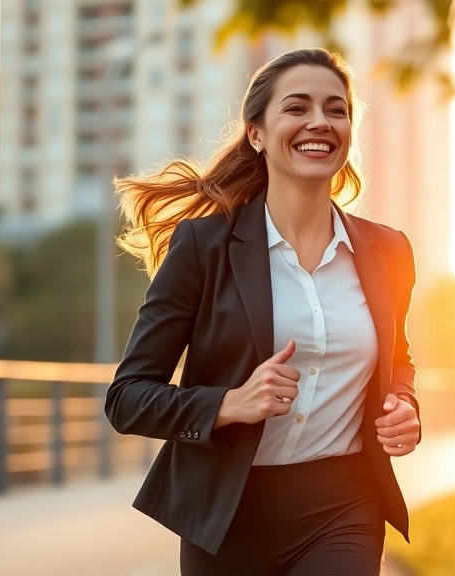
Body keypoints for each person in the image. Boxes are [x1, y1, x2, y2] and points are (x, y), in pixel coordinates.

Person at [104, 47, 421, 575]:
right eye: (296, 108)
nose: (319, 121)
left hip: (344, 504)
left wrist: (404, 405)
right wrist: (230, 403)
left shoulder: (388, 252)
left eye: (336, 109)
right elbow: (127, 398)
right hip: (227, 512)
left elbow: (398, 357)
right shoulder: (204, 247)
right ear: (256, 133)